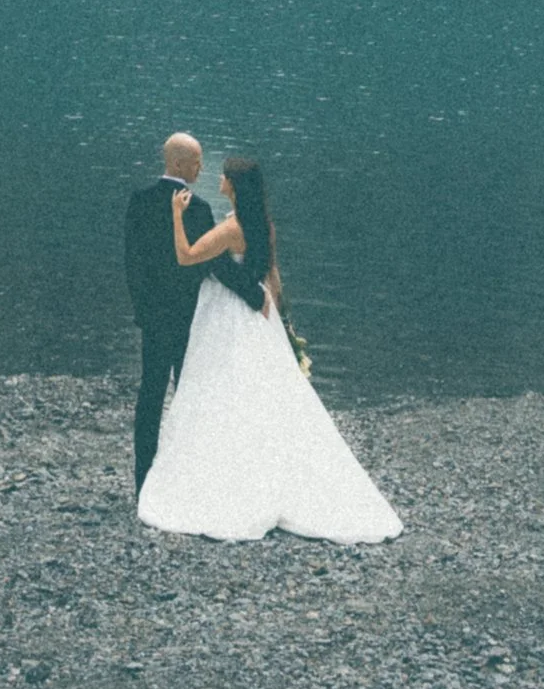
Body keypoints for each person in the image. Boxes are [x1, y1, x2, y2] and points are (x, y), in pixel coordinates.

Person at [134, 154, 400, 544]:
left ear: (234, 186)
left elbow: (186, 256)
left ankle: (227, 477)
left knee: (219, 388)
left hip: (226, 317)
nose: (218, 180)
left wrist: (176, 216)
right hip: (261, 317)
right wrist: (283, 324)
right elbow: (273, 278)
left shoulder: (231, 230)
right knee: (264, 391)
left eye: (224, 177)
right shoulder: (264, 227)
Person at [123, 131, 212, 496]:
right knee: (188, 395)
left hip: (154, 318)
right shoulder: (201, 210)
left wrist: (142, 311)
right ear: (179, 163)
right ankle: (185, 477)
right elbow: (210, 267)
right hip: (189, 318)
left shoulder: (140, 202)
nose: (201, 167)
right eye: (196, 161)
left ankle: (143, 479)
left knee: (150, 396)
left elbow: (133, 265)